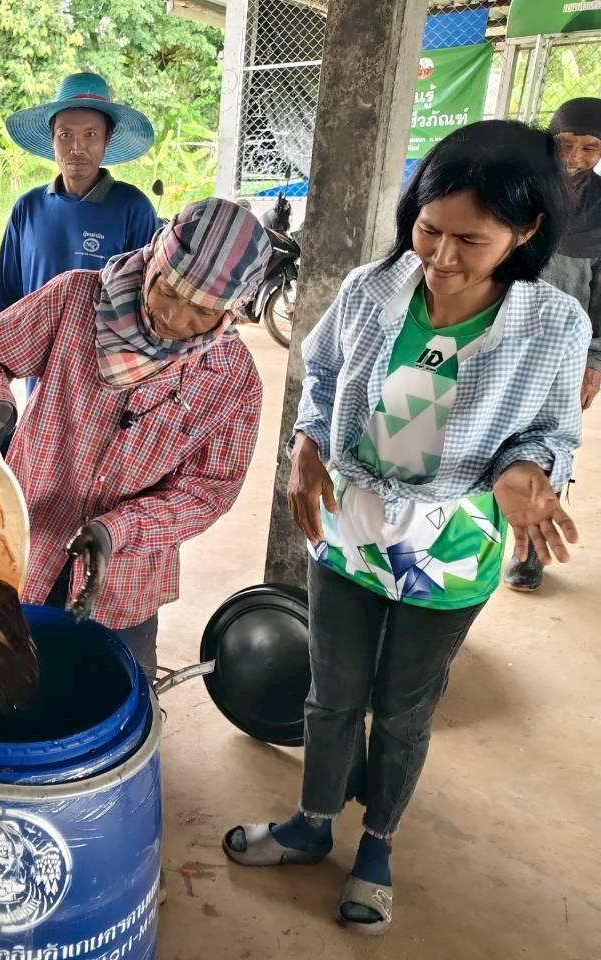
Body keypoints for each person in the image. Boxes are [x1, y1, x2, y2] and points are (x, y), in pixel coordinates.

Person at [222, 121, 589, 936]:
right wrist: (304, 447)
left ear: (525, 232)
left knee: (401, 710)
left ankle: (377, 845)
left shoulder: (551, 325)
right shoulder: (372, 288)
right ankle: (313, 825)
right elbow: (320, 373)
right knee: (331, 695)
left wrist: (526, 472)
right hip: (350, 529)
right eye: (429, 228)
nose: (443, 258)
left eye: (472, 239)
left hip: (450, 550)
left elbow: (549, 435)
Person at [0, 197, 272, 672]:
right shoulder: (74, 300)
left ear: (231, 312)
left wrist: (116, 529)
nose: (175, 317)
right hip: (20, 540)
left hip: (122, 574)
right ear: (153, 259)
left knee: (111, 694)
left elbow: (208, 490)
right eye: (168, 288)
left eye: (202, 310)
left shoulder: (232, 380)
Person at [0, 72, 160, 400]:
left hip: (107, 382)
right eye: (65, 135)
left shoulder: (134, 209)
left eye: (90, 134)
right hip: (39, 377)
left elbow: (149, 308)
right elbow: (7, 299)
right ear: (52, 140)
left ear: (107, 139)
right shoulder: (27, 209)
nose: (77, 148)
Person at [504, 97, 601, 591]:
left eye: (590, 147)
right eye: (566, 144)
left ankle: (530, 555)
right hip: (503, 337)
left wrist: (595, 362)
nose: (575, 157)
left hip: (566, 351)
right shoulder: (522, 190)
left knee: (549, 443)